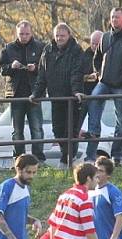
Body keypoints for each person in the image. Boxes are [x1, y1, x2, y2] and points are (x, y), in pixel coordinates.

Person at [85, 8, 122, 164]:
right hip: (104, 82)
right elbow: (96, 58)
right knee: (93, 106)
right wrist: (98, 74)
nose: (114, 20)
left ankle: (117, 155)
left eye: (117, 17)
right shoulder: (105, 37)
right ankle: (90, 156)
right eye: (112, 17)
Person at [29, 23, 85, 168]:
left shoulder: (76, 50)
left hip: (71, 98)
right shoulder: (47, 50)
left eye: (62, 36)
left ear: (69, 36)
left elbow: (77, 73)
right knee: (58, 130)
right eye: (57, 35)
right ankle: (66, 157)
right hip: (55, 96)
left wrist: (76, 91)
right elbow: (42, 74)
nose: (59, 38)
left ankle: (66, 160)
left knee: (71, 131)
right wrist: (36, 93)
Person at [0, 20, 45, 161]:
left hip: (35, 93)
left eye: (27, 34)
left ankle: (38, 159)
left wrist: (35, 67)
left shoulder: (40, 47)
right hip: (16, 94)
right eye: (21, 34)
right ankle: (18, 159)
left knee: (36, 128)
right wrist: (11, 66)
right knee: (17, 130)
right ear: (16, 34)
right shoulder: (8, 48)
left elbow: (46, 69)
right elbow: (0, 68)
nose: (24, 36)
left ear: (31, 33)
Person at [79, 30, 103, 132]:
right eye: (92, 43)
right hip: (84, 93)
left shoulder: (106, 56)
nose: (94, 46)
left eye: (97, 44)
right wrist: (89, 77)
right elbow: (78, 75)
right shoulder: (83, 56)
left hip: (98, 94)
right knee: (76, 123)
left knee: (94, 125)